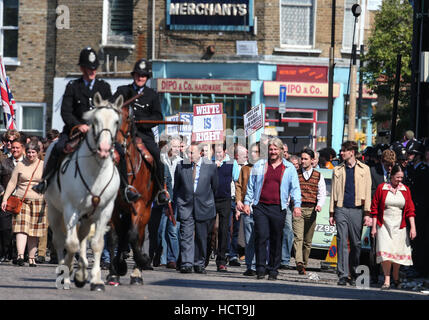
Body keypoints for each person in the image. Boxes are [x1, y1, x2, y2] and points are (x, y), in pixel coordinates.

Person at [31, 48, 141, 200]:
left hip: (98, 132)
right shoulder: (73, 86)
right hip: (75, 130)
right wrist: (78, 125)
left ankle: (125, 187)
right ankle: (45, 181)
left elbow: (108, 112)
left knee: (120, 153)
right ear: (82, 68)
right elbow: (66, 112)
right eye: (89, 68)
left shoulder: (104, 87)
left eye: (94, 68)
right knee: (57, 147)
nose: (92, 71)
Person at [243, 138, 302, 280]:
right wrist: (247, 202)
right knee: (261, 236)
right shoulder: (259, 165)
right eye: (271, 149)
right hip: (261, 206)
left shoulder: (289, 168)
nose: (273, 152)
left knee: (276, 238)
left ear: (281, 151)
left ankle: (273, 269)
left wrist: (297, 205)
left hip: (278, 207)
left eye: (276, 149)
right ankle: (261, 268)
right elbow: (251, 186)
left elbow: (295, 188)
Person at [112, 58, 168, 205]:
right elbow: (111, 108)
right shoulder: (123, 91)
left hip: (143, 134)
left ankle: (161, 190)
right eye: (138, 75)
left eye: (143, 75)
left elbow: (157, 117)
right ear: (133, 75)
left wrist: (141, 120)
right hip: (123, 135)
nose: (140, 78)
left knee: (156, 155)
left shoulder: (152, 95)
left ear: (147, 77)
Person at [329, 141, 372, 286]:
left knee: (356, 243)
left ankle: (353, 272)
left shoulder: (364, 169)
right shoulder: (337, 170)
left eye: (343, 151)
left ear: (351, 152)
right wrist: (331, 212)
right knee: (341, 241)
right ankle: (342, 274)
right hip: (341, 208)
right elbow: (334, 191)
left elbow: (367, 191)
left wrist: (367, 213)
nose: (341, 153)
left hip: (357, 209)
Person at [174, 142, 218, 274]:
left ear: (201, 153)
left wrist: (207, 200)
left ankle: (199, 263)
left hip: (204, 206)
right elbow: (177, 187)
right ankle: (187, 263)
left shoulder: (211, 167)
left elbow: (215, 187)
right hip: (185, 205)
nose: (189, 155)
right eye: (188, 152)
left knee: (201, 236)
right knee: (186, 235)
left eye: (192, 153)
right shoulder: (181, 166)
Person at [370, 165, 417, 289]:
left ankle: (395, 275)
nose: (399, 180)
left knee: (397, 252)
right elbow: (374, 208)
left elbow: (410, 210)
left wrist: (413, 227)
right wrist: (374, 227)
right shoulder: (382, 188)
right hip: (384, 224)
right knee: (385, 252)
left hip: (399, 225)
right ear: (391, 176)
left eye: (401, 177)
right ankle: (386, 279)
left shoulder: (405, 189)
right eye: (397, 177)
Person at [1, 141, 47, 267]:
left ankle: (32, 258)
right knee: (21, 228)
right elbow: (12, 183)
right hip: (22, 200)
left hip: (39, 201)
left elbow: (49, 183)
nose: (30, 155)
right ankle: (20, 256)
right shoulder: (20, 165)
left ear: (38, 153)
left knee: (34, 231)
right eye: (28, 152)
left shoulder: (44, 165)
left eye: (33, 152)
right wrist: (5, 199)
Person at [293, 148, 326, 275]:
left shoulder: (318, 175)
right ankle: (299, 262)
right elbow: (291, 189)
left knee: (308, 241)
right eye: (302, 158)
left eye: (306, 159)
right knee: (298, 237)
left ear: (312, 160)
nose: (303, 161)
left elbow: (322, 193)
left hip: (312, 210)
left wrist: (319, 205)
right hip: (298, 209)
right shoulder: (295, 174)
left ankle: (304, 264)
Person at [209, 142, 240, 272]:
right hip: (210, 200)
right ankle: (204, 257)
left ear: (225, 151)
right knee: (209, 228)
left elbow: (237, 181)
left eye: (220, 152)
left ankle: (221, 260)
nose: (218, 154)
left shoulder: (232, 164)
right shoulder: (208, 163)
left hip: (226, 200)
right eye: (216, 152)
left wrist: (238, 201)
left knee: (224, 229)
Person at [369, 148, 396, 284]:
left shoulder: (396, 172)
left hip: (392, 216)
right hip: (377, 215)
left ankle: (388, 276)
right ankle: (374, 275)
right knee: (375, 246)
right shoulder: (374, 171)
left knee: (391, 246)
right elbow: (371, 193)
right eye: (387, 165)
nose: (390, 168)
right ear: (382, 162)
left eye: (392, 165)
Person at [235, 142, 260, 276]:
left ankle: (260, 264)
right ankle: (250, 266)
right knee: (248, 239)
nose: (252, 154)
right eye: (250, 152)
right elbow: (239, 185)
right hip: (247, 208)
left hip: (261, 208)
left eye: (255, 152)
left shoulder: (264, 168)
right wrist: (238, 201)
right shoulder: (245, 169)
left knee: (260, 238)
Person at [0, 137, 25, 263]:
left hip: (23, 199)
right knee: (5, 227)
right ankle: (5, 252)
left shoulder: (28, 162)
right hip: (7, 199)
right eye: (13, 147)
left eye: (17, 148)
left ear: (22, 148)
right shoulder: (4, 162)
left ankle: (19, 254)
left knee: (21, 228)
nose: (15, 150)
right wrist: (1, 190)